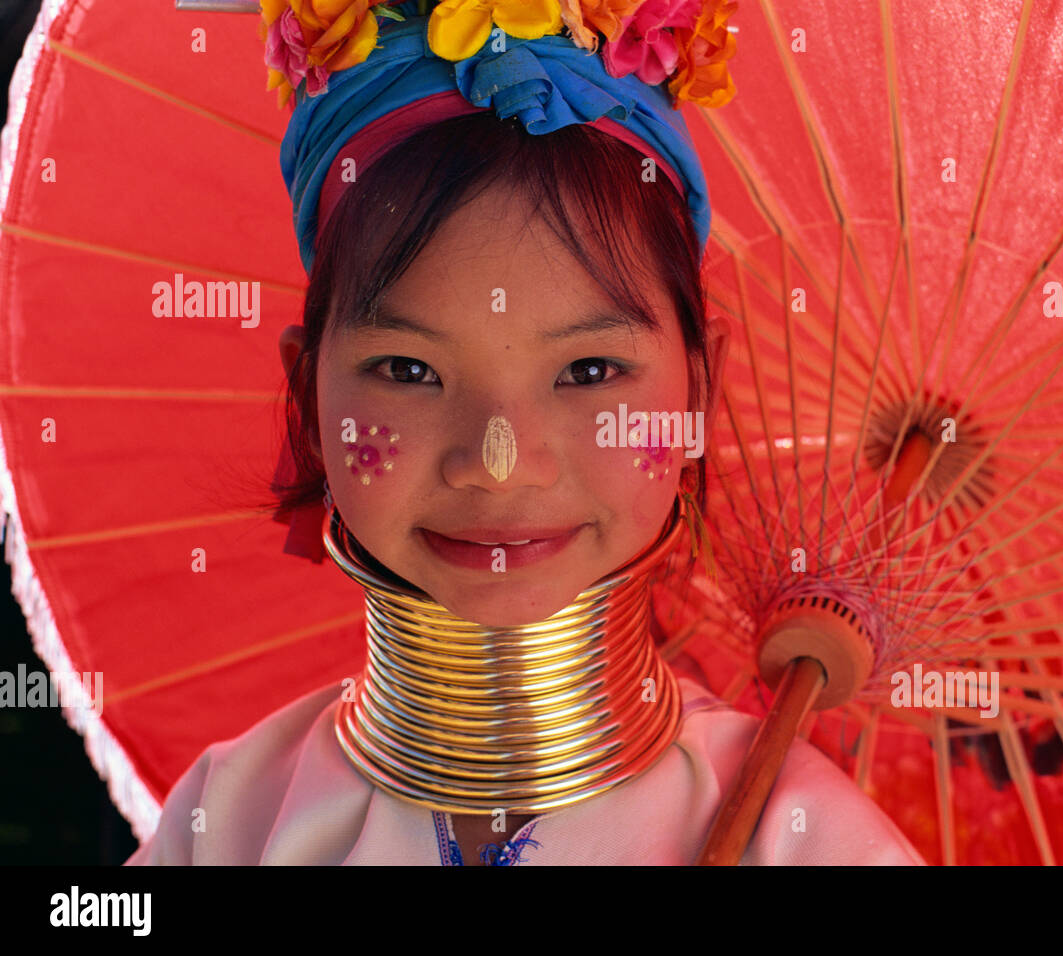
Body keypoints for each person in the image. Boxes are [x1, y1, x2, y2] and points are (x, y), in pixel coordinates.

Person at [126, 0, 924, 866]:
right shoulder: (229, 822)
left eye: (588, 373)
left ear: (699, 389)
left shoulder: (803, 840)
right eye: (408, 370)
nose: (499, 466)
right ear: (305, 400)